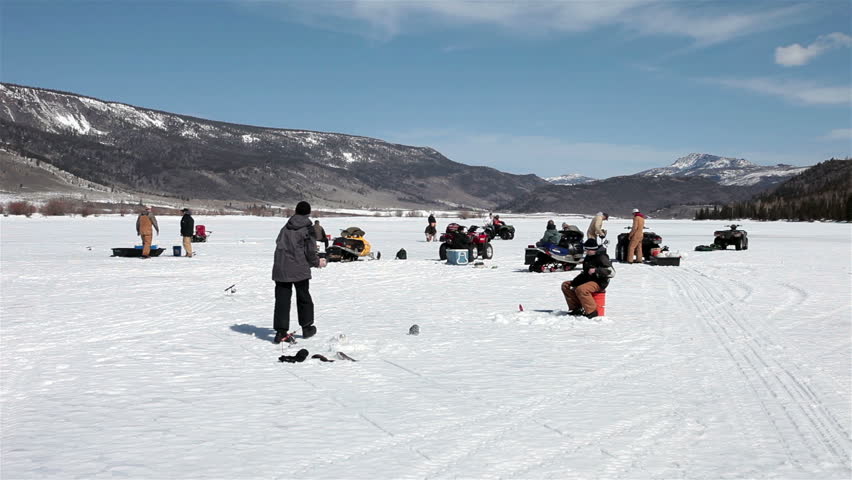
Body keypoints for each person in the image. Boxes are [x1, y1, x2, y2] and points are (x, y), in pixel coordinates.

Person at [272, 201, 326, 344]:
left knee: (282, 300)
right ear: (308, 213)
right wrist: (317, 262)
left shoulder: (285, 227)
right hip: (298, 268)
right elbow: (310, 250)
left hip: (281, 268)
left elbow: (279, 243)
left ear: (296, 211)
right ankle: (307, 328)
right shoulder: (308, 229)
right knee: (303, 298)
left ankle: (280, 332)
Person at [561, 239, 614, 319]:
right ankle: (577, 308)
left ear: (592, 249)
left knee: (581, 289)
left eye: (587, 249)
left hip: (599, 282)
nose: (585, 251)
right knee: (566, 285)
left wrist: (596, 270)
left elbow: (612, 272)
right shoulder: (588, 257)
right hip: (588, 279)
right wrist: (574, 282)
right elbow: (585, 272)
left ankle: (592, 311)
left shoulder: (602, 257)